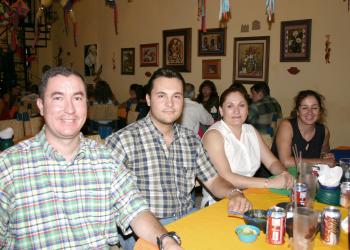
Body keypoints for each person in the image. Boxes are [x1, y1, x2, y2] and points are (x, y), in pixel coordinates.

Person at [0, 66, 182, 250]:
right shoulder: (8, 166)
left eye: (77, 98)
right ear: (41, 106)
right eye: (58, 98)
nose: (69, 109)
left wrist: (166, 241)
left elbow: (135, 210)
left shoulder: (106, 159)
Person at [105, 67, 252, 250]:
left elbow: (214, 181)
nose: (170, 103)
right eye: (161, 96)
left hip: (187, 218)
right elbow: (110, 203)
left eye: (176, 96)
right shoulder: (121, 141)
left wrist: (233, 192)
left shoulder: (191, 140)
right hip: (143, 231)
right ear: (149, 99)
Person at [201, 86, 293, 206]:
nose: (236, 111)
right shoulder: (214, 135)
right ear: (221, 111)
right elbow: (227, 177)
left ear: (247, 109)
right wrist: (268, 183)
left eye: (241, 105)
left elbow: (272, 162)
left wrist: (284, 174)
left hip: (251, 194)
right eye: (230, 106)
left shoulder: (250, 130)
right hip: (221, 201)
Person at [271, 90, 335, 167]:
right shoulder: (286, 126)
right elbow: (286, 162)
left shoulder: (324, 131)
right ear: (297, 111)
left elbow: (323, 155)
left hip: (306, 176)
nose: (310, 112)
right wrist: (321, 161)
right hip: (275, 176)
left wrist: (326, 158)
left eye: (314, 108)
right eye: (305, 108)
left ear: (320, 111)